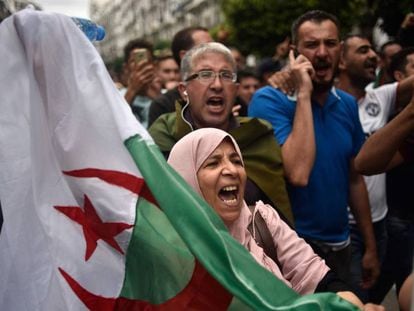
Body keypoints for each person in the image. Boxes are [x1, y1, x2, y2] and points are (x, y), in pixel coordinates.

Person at [167, 127, 384, 310]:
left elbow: (317, 278)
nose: (232, 170)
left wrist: (351, 305)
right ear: (186, 180)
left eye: (236, 161)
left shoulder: (262, 220)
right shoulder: (170, 255)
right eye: (213, 163)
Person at [248, 10, 379, 288]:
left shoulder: (345, 103)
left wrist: (370, 246)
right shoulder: (268, 100)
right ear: (294, 53)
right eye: (311, 45)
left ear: (341, 51)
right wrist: (304, 93)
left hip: (345, 246)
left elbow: (355, 178)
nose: (322, 53)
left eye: (330, 44)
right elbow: (298, 173)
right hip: (295, 249)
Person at [149, 42, 294, 226]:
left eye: (226, 76)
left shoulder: (257, 134)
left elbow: (278, 212)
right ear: (183, 90)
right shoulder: (163, 135)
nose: (217, 85)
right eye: (205, 75)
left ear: (235, 89)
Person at [337, 36, 414, 302]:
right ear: (342, 60)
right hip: (344, 226)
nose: (373, 55)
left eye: (373, 49)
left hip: (379, 222)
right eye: (363, 50)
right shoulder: (325, 101)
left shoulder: (380, 98)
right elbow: (364, 164)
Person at [148, 26, 213, 127]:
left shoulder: (228, 93)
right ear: (185, 55)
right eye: (206, 48)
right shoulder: (163, 105)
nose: (216, 53)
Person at [121, 38, 161, 128]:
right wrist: (132, 91)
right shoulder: (116, 97)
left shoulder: (165, 95)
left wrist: (159, 99)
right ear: (126, 68)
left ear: (154, 65)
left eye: (147, 60)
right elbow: (113, 124)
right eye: (134, 61)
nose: (141, 65)